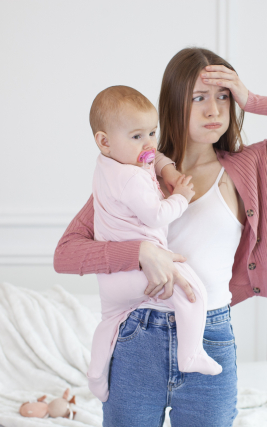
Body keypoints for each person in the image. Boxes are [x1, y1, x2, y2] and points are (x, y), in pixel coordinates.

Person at [54, 47, 267, 426]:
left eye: (223, 97)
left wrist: (255, 100)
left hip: (209, 334)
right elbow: (66, 253)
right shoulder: (134, 170)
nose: (214, 110)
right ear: (173, 101)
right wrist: (141, 252)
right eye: (199, 97)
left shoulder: (250, 165)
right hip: (138, 338)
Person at [86, 85, 222, 403]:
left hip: (112, 279)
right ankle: (191, 353)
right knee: (193, 291)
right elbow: (156, 215)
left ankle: (95, 375)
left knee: (110, 320)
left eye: (152, 132)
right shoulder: (132, 179)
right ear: (104, 141)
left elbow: (153, 158)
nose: (148, 144)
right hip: (140, 272)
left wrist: (165, 168)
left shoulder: (109, 164)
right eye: (137, 136)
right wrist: (181, 196)